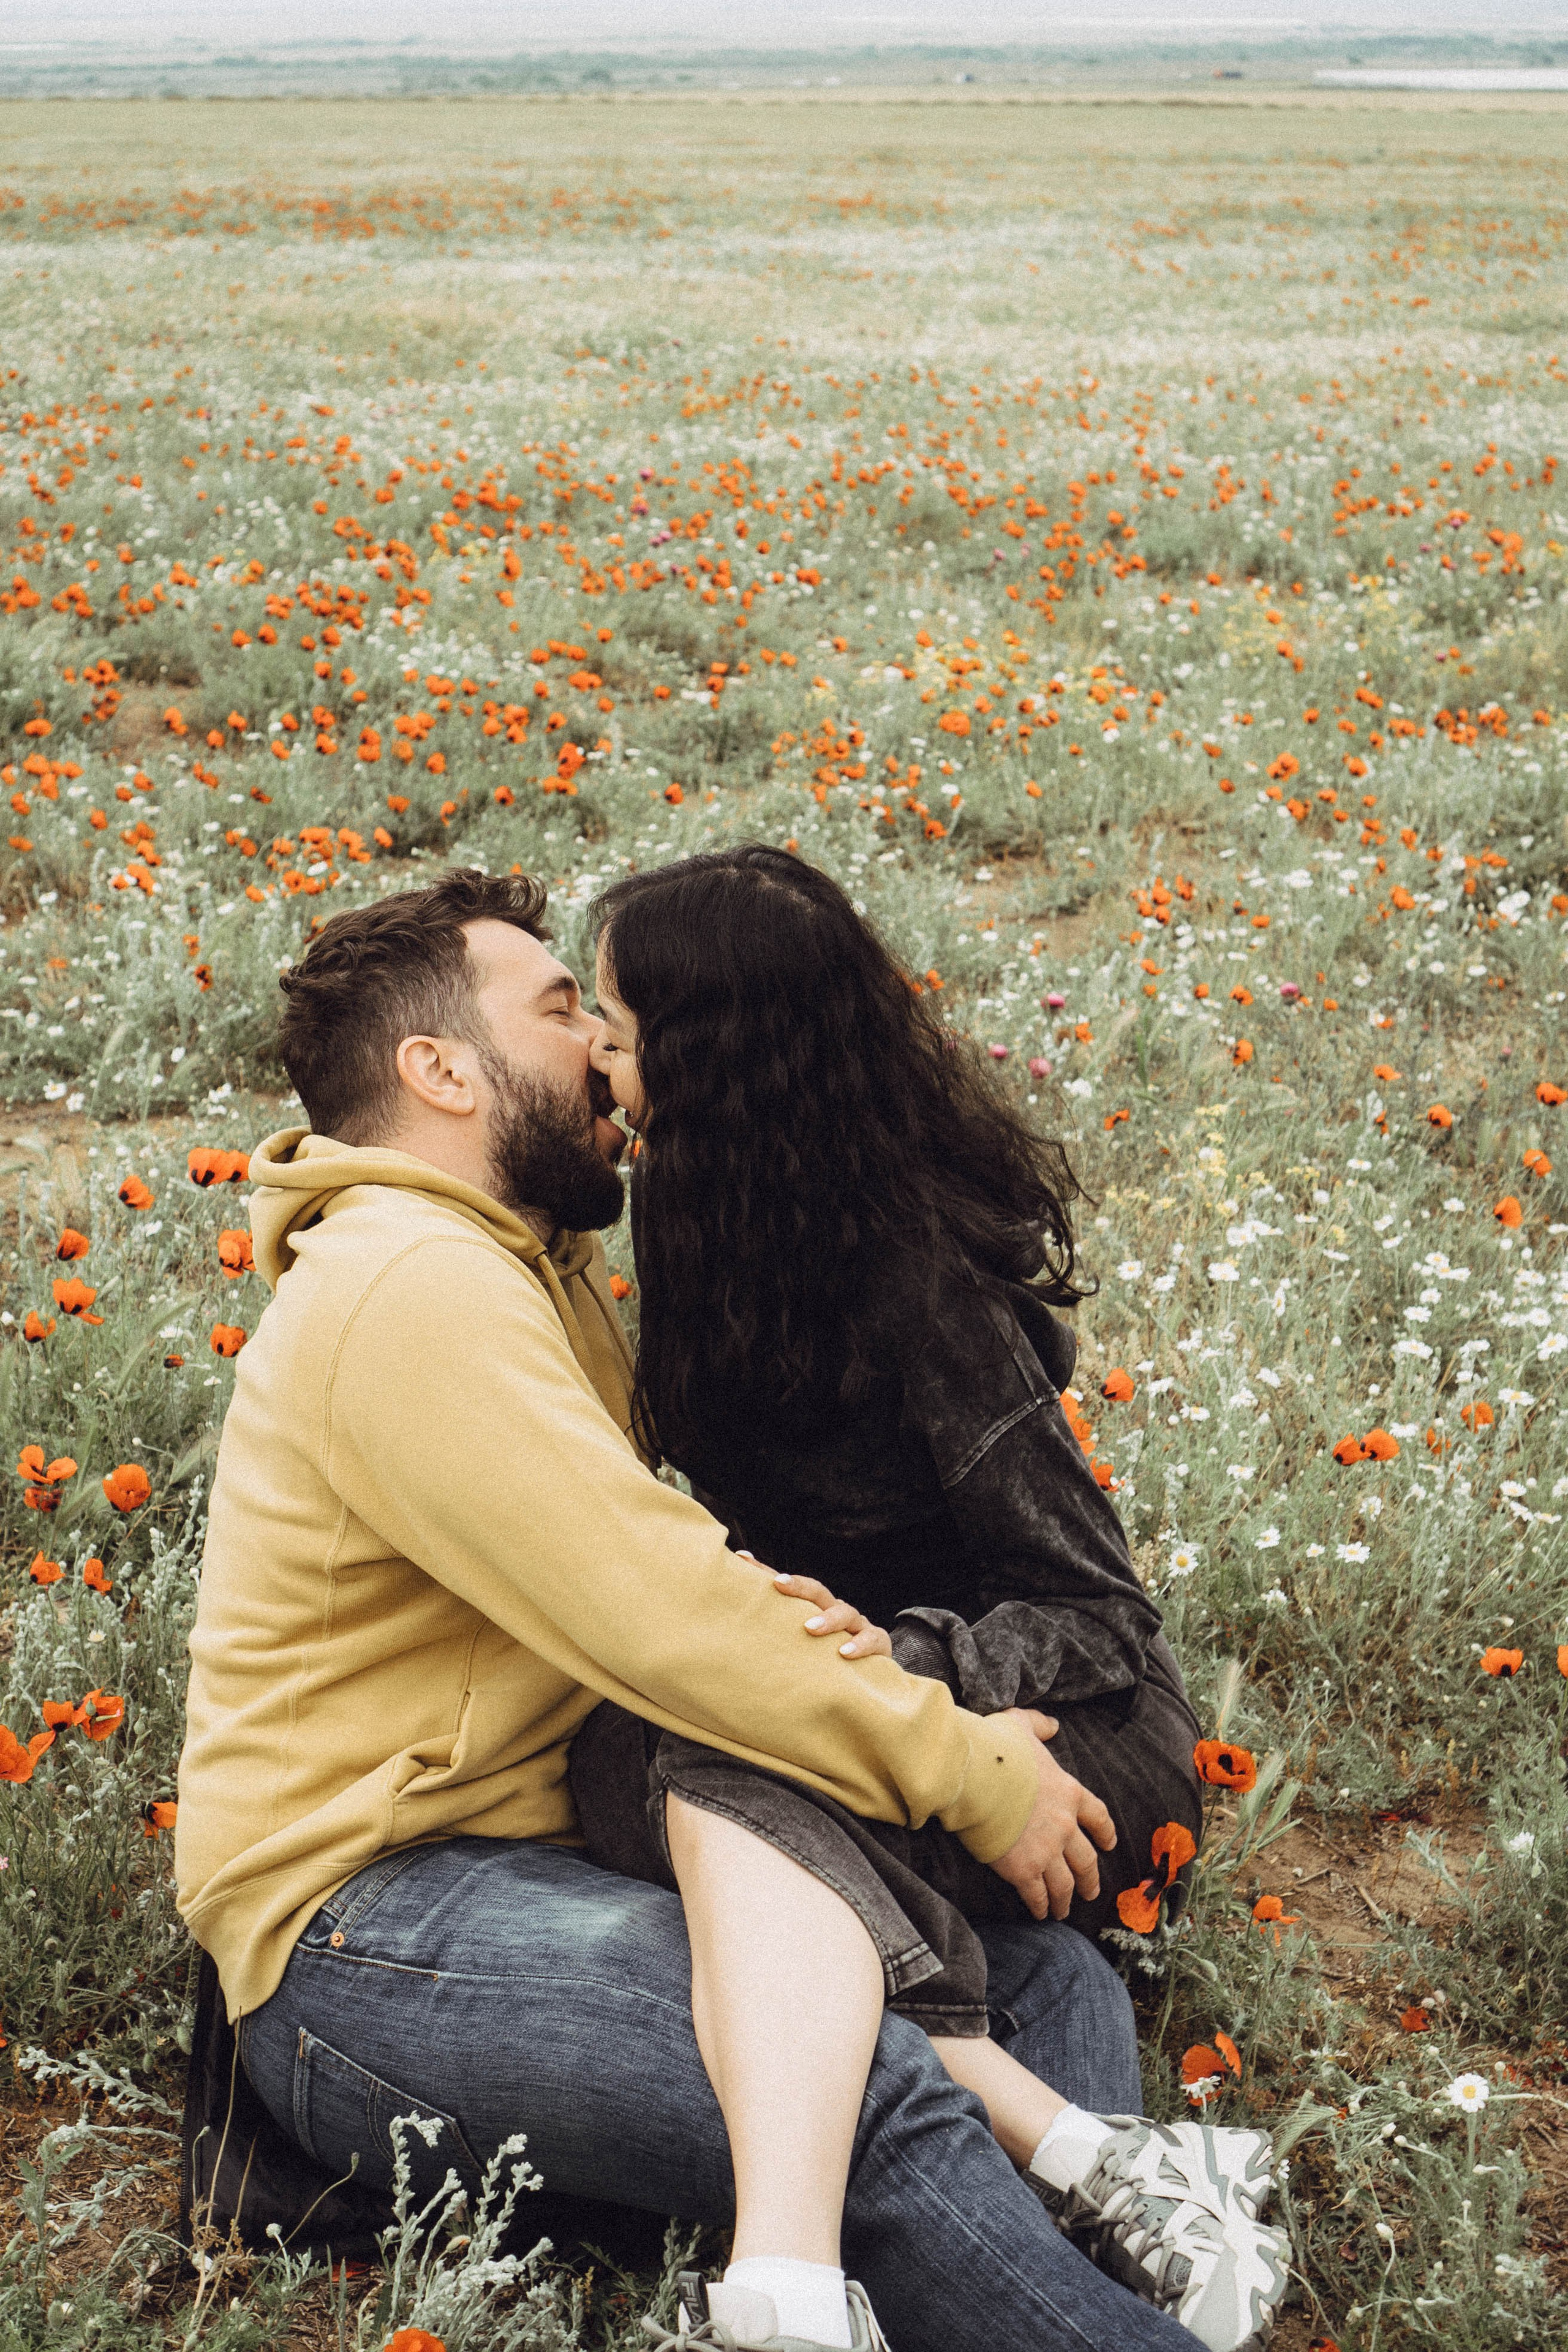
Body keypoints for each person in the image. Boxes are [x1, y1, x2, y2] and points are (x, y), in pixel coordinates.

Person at [174, 869, 1278, 2352]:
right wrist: (967, 1760)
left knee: (1039, 1972)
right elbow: (666, 1616)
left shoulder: (521, 1268)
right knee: (853, 2086)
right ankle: (977, 2292)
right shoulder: (410, 1286)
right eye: (561, 1007)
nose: (599, 1046)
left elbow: (658, 1577)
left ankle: (1113, 2216)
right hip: (369, 1923)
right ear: (440, 1071)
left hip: (545, 1856)